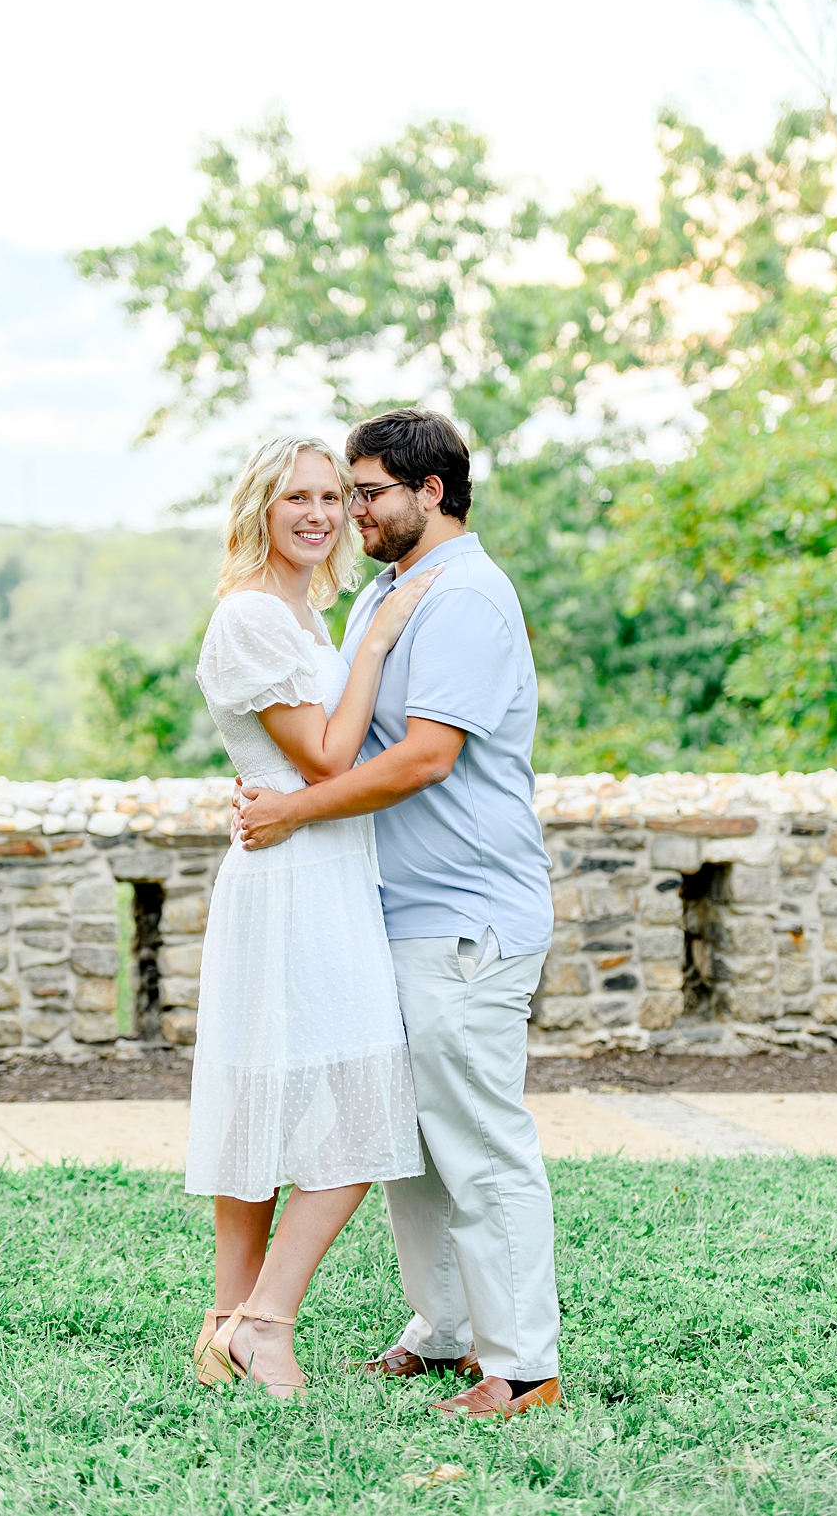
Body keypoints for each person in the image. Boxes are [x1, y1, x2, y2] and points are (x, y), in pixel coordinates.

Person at [233, 408, 561, 1421]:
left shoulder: (462, 596)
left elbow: (425, 756)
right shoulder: (390, 587)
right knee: (408, 1138)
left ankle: (524, 1367)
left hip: (464, 915)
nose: (350, 510)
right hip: (398, 912)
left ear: (431, 492)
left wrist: (291, 808)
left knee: (478, 1139)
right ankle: (446, 1329)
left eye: (368, 491)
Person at [188, 435, 440, 1398]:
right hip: (290, 877)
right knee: (354, 1105)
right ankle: (267, 1320)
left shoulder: (301, 609)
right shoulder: (254, 616)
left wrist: (357, 631)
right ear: (259, 504)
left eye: (334, 497)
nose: (320, 513)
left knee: (291, 1100)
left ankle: (224, 1327)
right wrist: (377, 639)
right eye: (297, 496)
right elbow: (332, 760)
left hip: (325, 868)